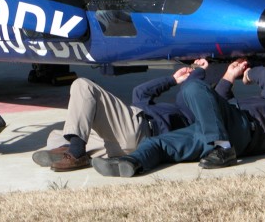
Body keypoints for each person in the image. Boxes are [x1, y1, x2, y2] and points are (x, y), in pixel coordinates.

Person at [92, 59, 265, 177]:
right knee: (160, 143)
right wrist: (229, 77)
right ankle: (132, 162)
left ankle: (222, 148)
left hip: (242, 131)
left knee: (193, 88)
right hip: (224, 132)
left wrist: (249, 75)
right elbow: (220, 102)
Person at [33, 60, 207, 172]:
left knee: (83, 85)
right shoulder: (148, 106)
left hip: (141, 130)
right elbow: (140, 92)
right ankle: (74, 150)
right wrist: (173, 79)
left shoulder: (189, 111)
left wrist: (198, 70)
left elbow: (192, 89)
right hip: (123, 144)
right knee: (56, 135)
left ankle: (76, 152)